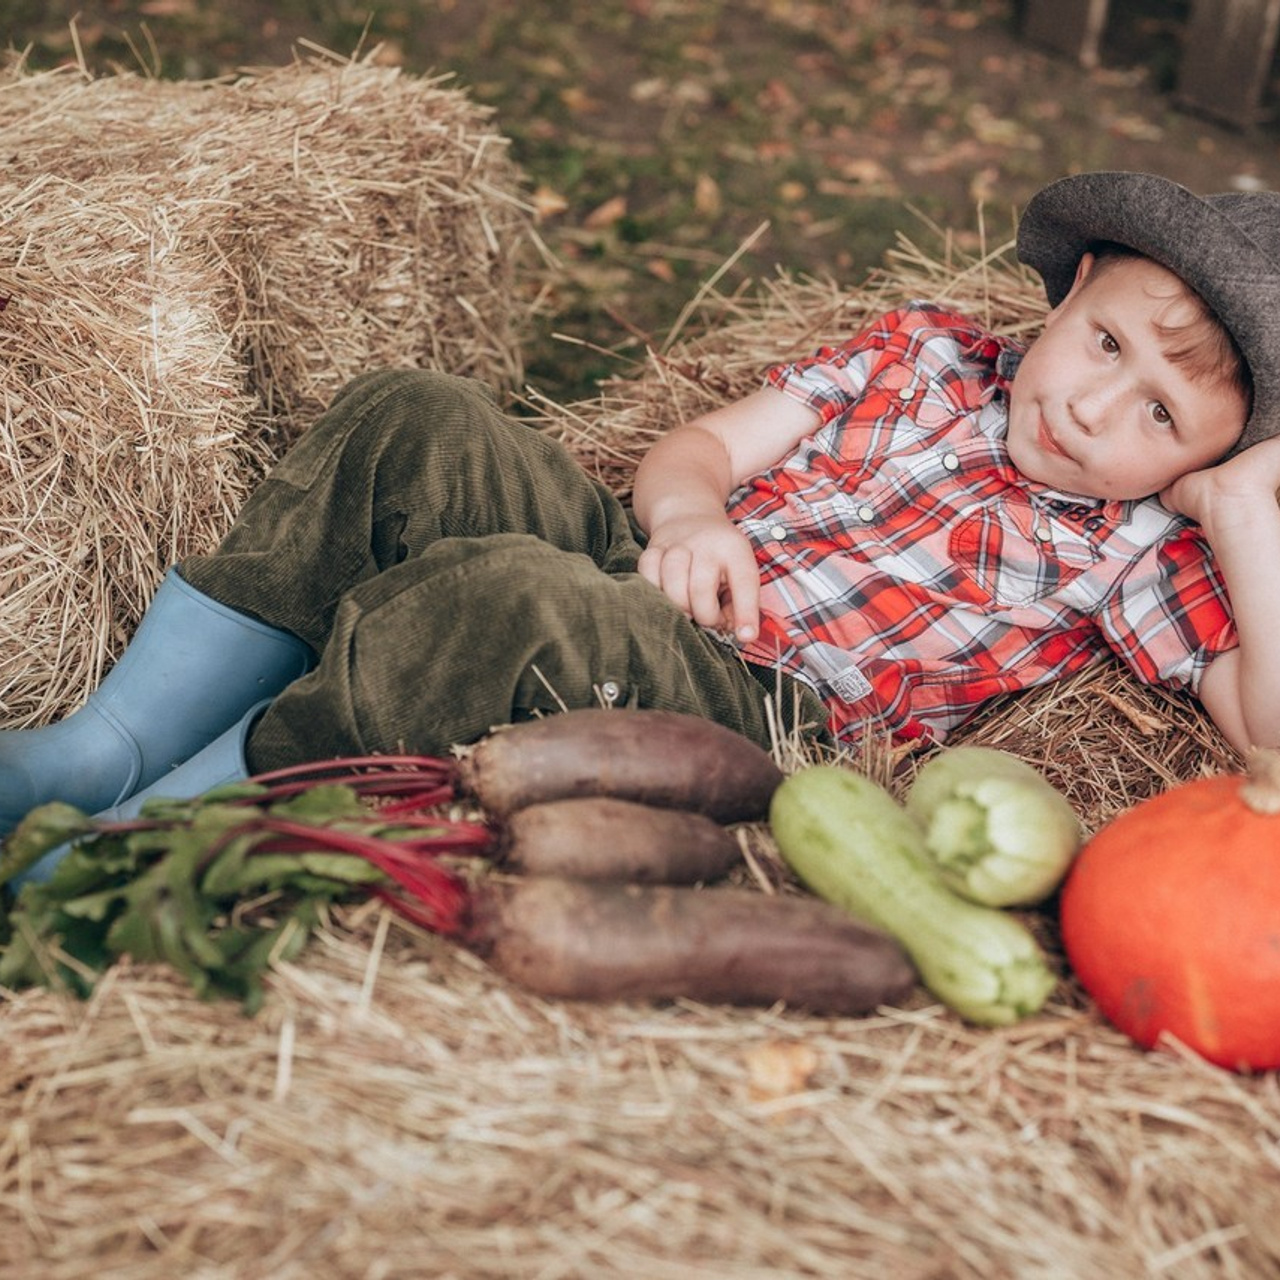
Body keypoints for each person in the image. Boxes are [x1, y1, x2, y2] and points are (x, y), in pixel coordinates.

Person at [3, 170, 1280, 872]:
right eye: (1102, 341)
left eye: (1161, 417)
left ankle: (155, 837)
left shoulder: (1136, 556)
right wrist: (690, 515)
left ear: (1210, 457)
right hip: (649, 571)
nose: (1095, 406)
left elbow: (1266, 740)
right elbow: (703, 448)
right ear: (1064, 295)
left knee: (504, 598)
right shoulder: (928, 357)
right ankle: (111, 741)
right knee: (415, 417)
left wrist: (1236, 518)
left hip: (756, 701)